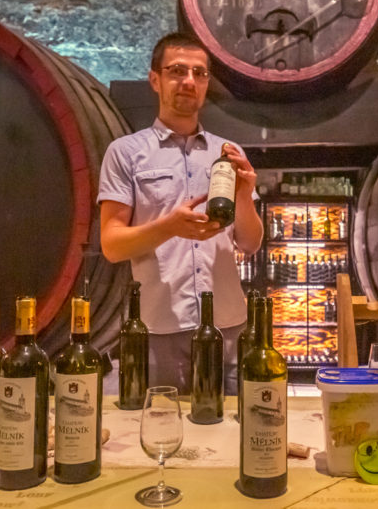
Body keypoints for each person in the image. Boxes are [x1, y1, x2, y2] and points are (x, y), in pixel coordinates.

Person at [97, 32, 263, 395]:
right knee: (162, 426)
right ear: (155, 80)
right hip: (159, 330)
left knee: (233, 426)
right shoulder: (125, 153)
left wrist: (245, 196)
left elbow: (250, 243)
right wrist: (169, 226)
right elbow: (112, 245)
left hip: (228, 327)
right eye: (177, 71)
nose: (189, 81)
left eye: (199, 73)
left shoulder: (227, 153)